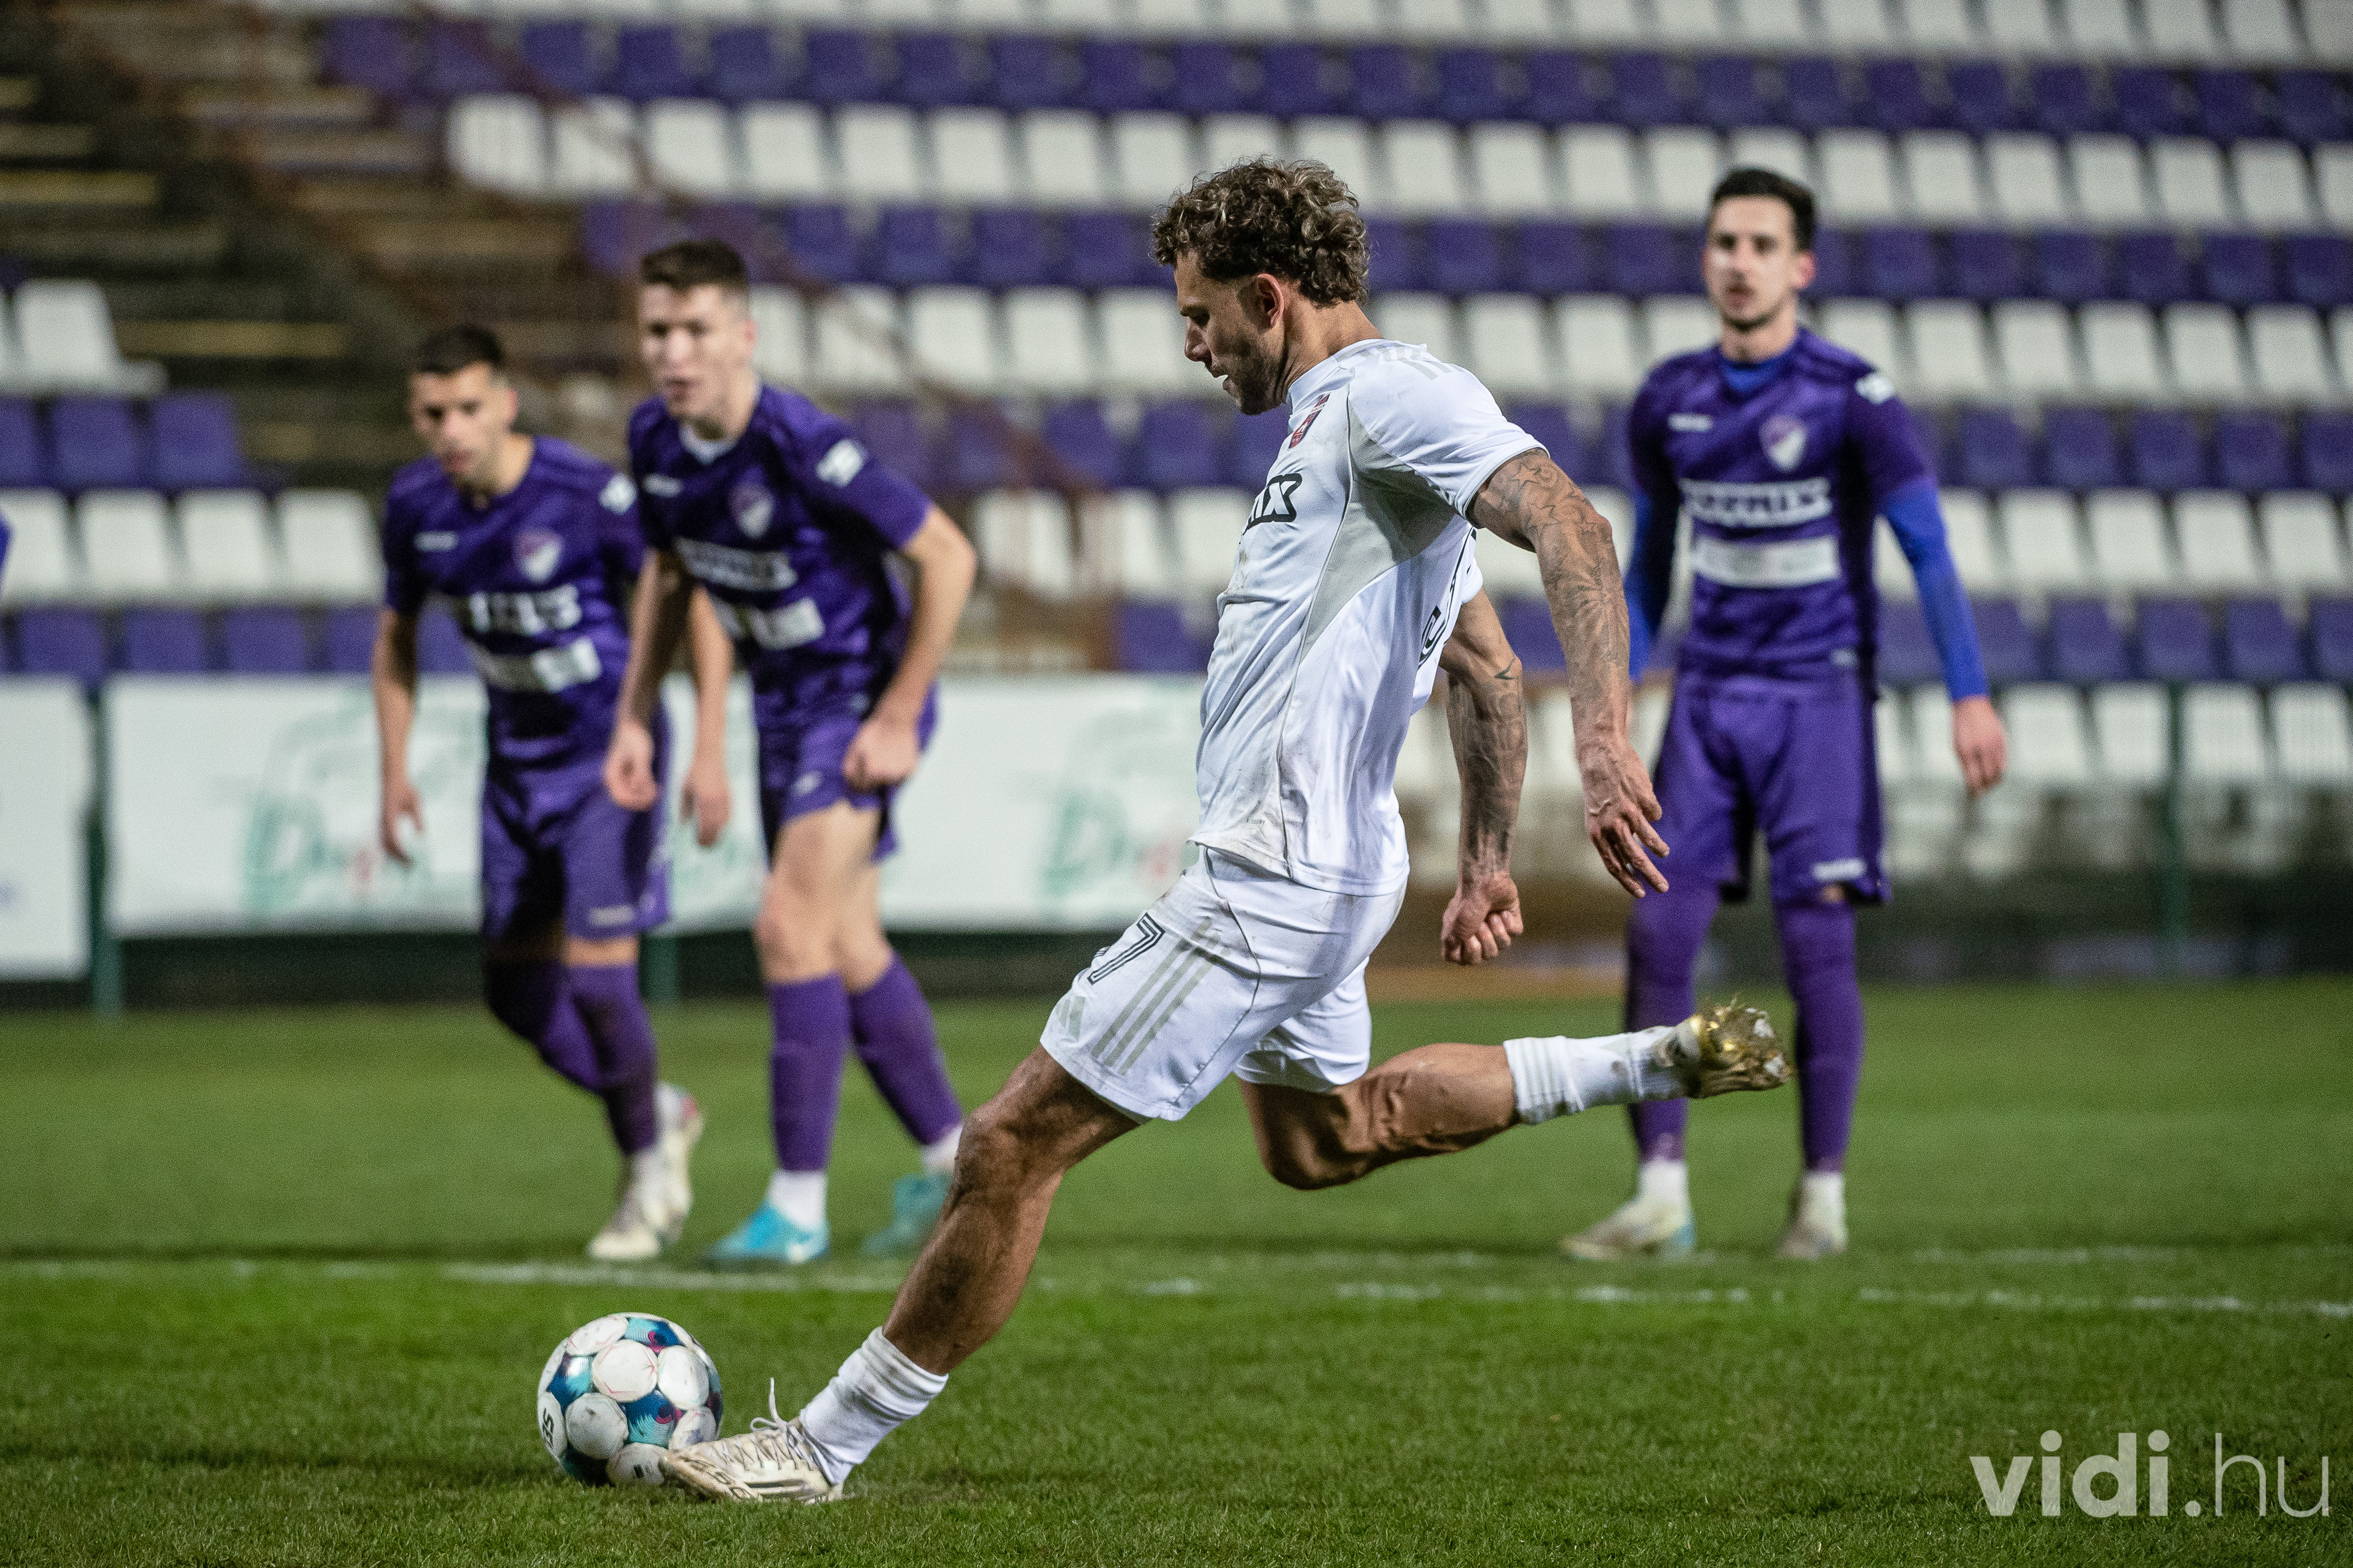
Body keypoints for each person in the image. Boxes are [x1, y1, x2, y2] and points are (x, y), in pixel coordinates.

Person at [657, 159, 1789, 1505]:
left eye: (1200, 316)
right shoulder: (1348, 440)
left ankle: (817, 1448)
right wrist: (1487, 857)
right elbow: (1484, 666)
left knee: (1007, 1145)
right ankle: (1654, 1060)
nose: (1192, 345)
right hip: (1336, 870)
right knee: (1328, 1140)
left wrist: (1605, 744)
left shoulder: (1391, 396)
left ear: (1270, 295)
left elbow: (1573, 525)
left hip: (1273, 872)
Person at [1563, 168, 2009, 1265]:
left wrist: (1969, 691)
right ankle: (1660, 1195)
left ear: (1801, 265)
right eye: (1725, 241)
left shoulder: (1854, 398)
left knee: (1816, 946)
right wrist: (1614, 697)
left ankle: (1821, 1200)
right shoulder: (1669, 399)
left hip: (1819, 701)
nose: (1740, 261)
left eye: (1763, 244)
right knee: (1657, 933)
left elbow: (1927, 549)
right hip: (1709, 700)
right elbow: (1652, 564)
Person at [606, 239, 979, 1267]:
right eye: (657, 331)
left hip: (853, 704)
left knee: (785, 924)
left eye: (695, 330)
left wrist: (899, 711)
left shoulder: (801, 442)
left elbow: (948, 556)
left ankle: (797, 1207)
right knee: (846, 942)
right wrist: (640, 716)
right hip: (780, 710)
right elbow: (671, 575)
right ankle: (960, 1168)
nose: (674, 352)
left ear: (743, 336)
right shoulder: (655, 440)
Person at [374, 324, 730, 1261]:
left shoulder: (585, 495)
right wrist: (393, 772)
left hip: (611, 758)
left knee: (600, 979)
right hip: (515, 767)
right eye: (433, 414)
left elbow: (685, 597)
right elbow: (396, 637)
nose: (451, 430)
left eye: (467, 408)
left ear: (505, 403)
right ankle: (657, 1107)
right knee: (515, 992)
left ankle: (647, 1174)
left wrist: (705, 747)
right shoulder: (414, 505)